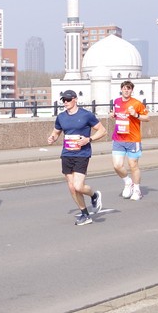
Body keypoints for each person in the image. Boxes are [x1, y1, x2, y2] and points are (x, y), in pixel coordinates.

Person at [47, 89, 106, 226]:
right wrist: (52, 138)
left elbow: (103, 131)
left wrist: (88, 139)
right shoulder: (61, 117)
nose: (65, 102)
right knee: (72, 187)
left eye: (68, 100)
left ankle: (94, 195)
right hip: (67, 154)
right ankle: (85, 214)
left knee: (78, 186)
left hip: (82, 154)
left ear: (75, 99)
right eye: (63, 100)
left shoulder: (86, 115)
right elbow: (56, 132)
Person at [109, 80, 149, 200]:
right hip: (118, 138)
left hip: (133, 139)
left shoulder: (137, 103)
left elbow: (147, 117)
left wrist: (136, 115)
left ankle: (137, 190)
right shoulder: (116, 101)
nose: (126, 91)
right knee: (117, 166)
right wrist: (113, 115)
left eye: (129, 89)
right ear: (121, 89)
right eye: (124, 88)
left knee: (133, 165)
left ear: (132, 90)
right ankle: (128, 182)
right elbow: (117, 114)